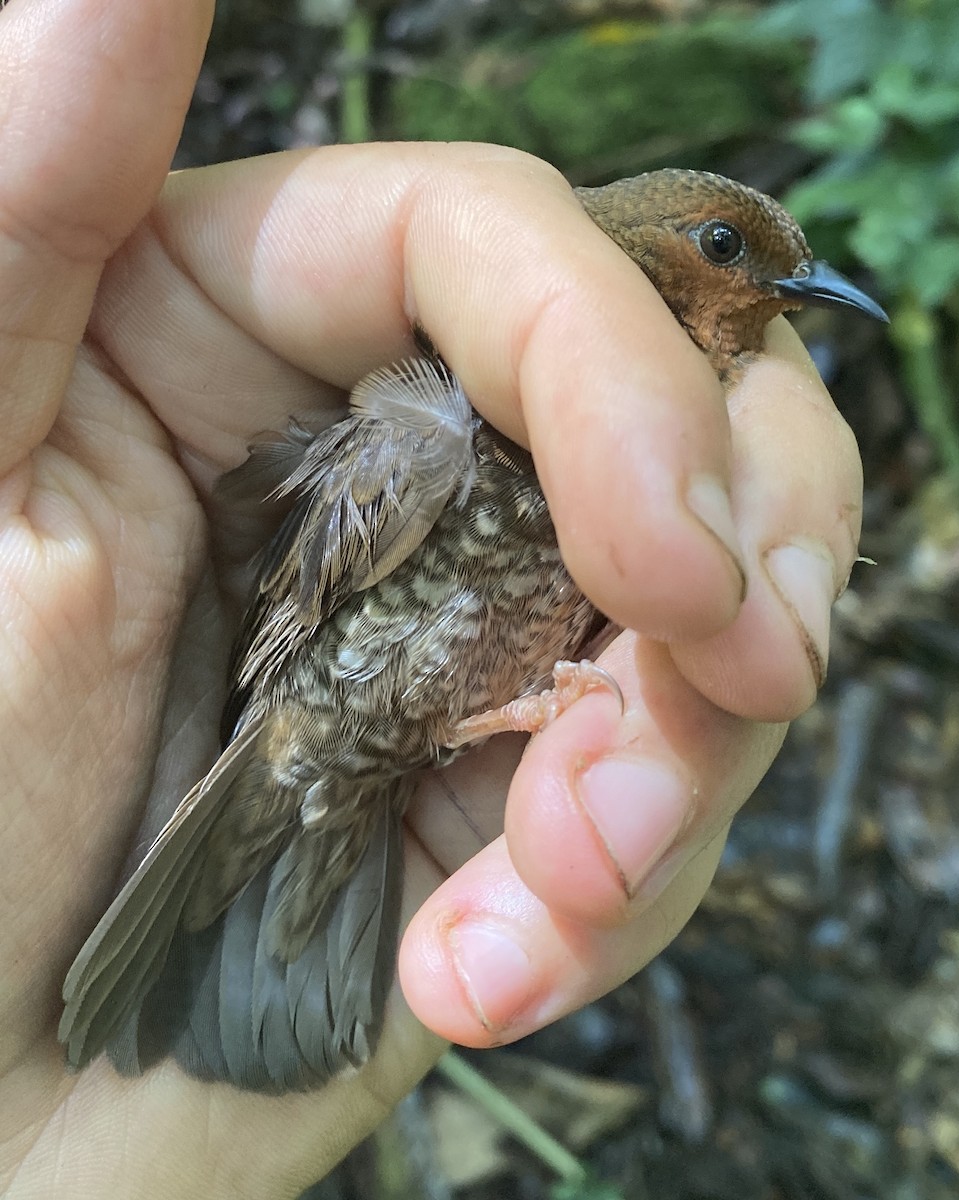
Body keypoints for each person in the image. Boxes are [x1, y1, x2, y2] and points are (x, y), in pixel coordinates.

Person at [0, 0, 864, 1195]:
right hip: (320, 720)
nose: (770, 289)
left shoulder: (692, 426)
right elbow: (329, 629)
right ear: (654, 247)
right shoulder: (465, 412)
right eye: (727, 250)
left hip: (399, 769)